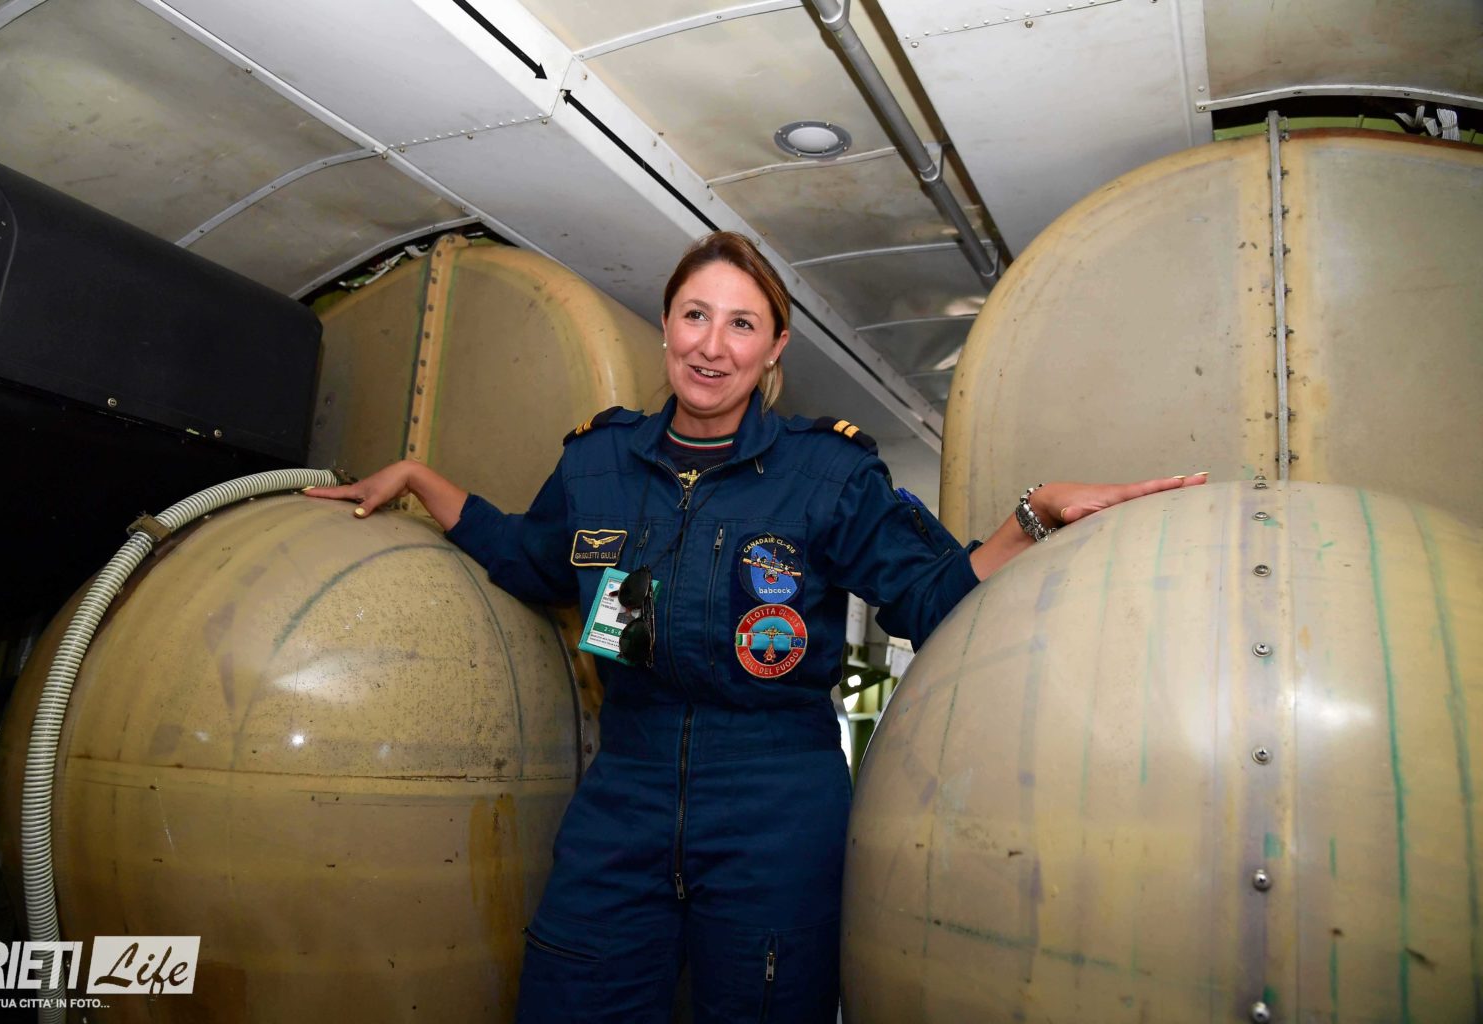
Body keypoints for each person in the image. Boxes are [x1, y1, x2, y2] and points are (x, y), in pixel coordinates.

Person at [304, 231, 1206, 1022]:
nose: (712, 345)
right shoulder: (596, 462)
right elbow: (530, 557)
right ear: (666, 329)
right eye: (695, 316)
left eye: (741, 324)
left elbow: (932, 600)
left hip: (777, 803)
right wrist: (419, 476)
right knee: (572, 995)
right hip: (625, 793)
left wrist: (1033, 515)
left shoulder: (829, 475)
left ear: (774, 348)